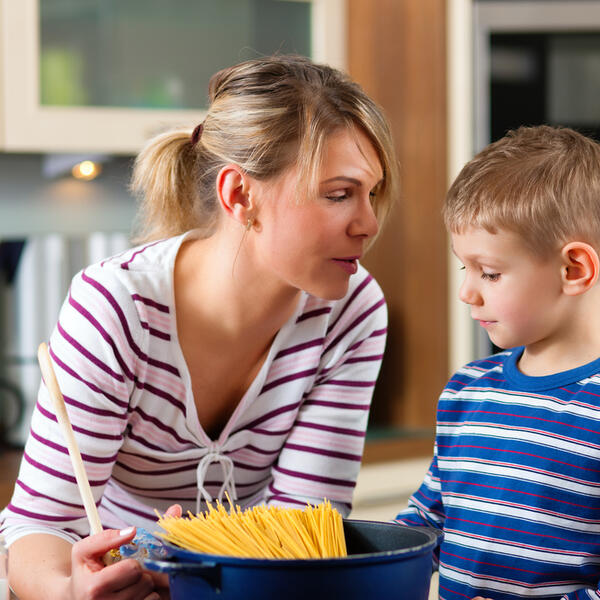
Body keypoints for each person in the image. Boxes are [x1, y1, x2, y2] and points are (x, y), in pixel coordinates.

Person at [0, 54, 399, 599]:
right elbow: (38, 528)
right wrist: (71, 590)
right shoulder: (119, 306)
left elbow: (304, 532)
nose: (369, 223)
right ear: (240, 195)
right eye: (338, 195)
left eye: (371, 193)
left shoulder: (353, 312)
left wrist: (198, 573)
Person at [395, 125, 600, 600]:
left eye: (489, 272)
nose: (467, 291)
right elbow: (428, 520)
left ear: (573, 269)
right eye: (463, 266)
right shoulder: (466, 390)